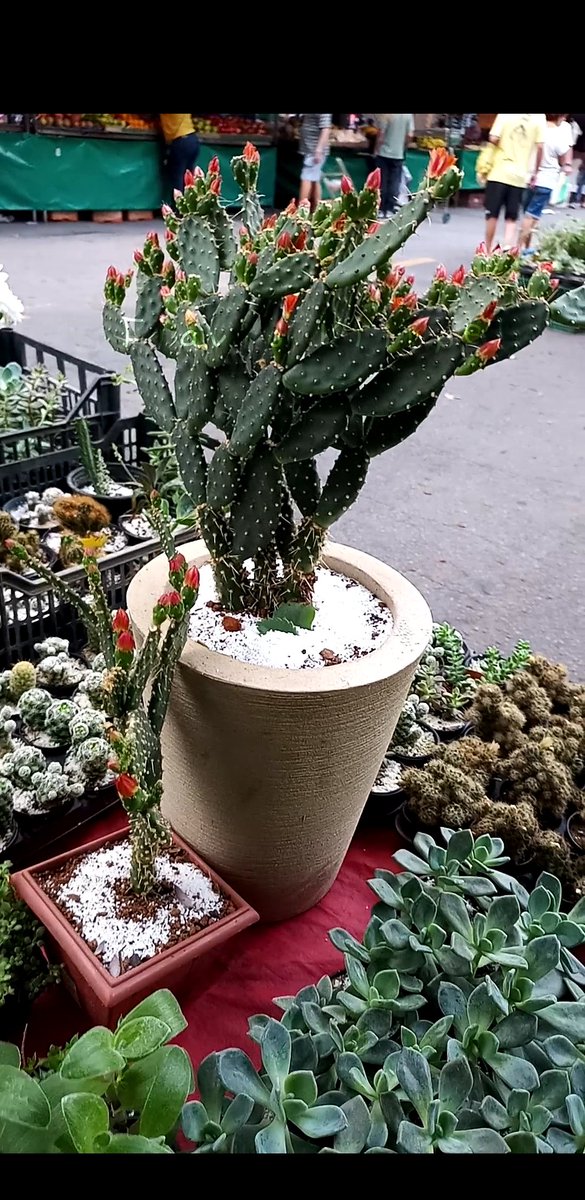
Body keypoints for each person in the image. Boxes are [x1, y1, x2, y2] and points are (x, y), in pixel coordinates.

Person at [484, 113, 546, 251]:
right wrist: (536, 171)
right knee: (511, 216)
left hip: (498, 171)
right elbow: (540, 147)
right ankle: (507, 246)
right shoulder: (539, 117)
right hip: (520, 175)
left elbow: (493, 138)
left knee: (492, 214)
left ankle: (487, 250)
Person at [518, 115, 572, 249]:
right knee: (532, 215)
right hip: (546, 179)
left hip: (527, 176)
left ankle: (527, 247)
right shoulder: (558, 135)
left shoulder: (535, 128)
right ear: (559, 117)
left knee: (529, 214)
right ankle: (518, 248)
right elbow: (563, 159)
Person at [375, 114, 415, 217]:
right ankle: (390, 208)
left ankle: (381, 209)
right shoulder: (408, 115)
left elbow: (381, 134)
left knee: (382, 182)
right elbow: (410, 135)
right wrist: (403, 146)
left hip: (383, 153)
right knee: (395, 182)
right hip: (398, 154)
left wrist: (376, 149)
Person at [159, 114, 200, 207]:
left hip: (180, 141)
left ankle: (179, 208)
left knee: (178, 177)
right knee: (188, 177)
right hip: (192, 138)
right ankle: (191, 207)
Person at [298, 114, 332, 210]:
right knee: (314, 179)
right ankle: (317, 208)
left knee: (306, 177)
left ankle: (302, 209)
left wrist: (319, 150)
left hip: (314, 151)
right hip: (310, 150)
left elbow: (326, 129)